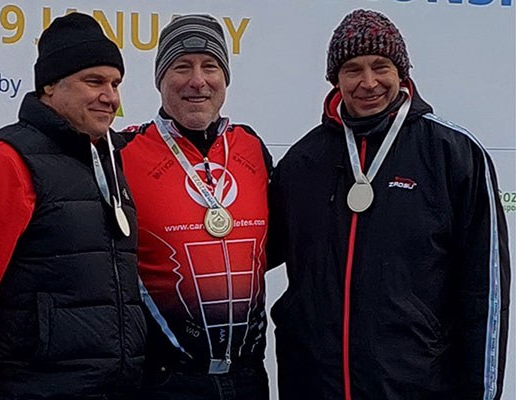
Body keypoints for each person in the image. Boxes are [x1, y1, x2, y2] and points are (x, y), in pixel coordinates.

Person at [268, 9, 511, 400]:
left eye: (381, 66)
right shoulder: (302, 162)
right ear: (335, 80)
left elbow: (486, 291)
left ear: (402, 72)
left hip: (416, 386)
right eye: (352, 70)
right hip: (314, 384)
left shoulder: (454, 154)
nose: (368, 83)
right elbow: (253, 253)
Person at [0, 13, 146, 400]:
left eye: (115, 83)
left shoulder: (112, 157)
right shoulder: (5, 160)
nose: (110, 96)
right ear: (50, 84)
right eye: (93, 81)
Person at [120, 14, 272, 400]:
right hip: (164, 381)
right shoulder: (122, 153)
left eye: (210, 66)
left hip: (247, 379)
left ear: (225, 77)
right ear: (160, 79)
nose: (197, 81)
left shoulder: (252, 147)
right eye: (181, 66)